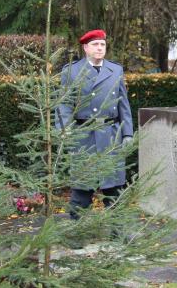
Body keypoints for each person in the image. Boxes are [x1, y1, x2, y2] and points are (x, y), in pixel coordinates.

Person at [55, 29, 134, 218]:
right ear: (85, 48)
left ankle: (118, 233)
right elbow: (64, 104)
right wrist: (65, 132)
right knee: (82, 190)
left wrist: (128, 133)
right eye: (95, 45)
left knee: (115, 189)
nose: (99, 48)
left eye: (102, 45)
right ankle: (76, 234)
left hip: (111, 136)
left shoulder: (115, 70)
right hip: (84, 136)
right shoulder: (71, 71)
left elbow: (123, 104)